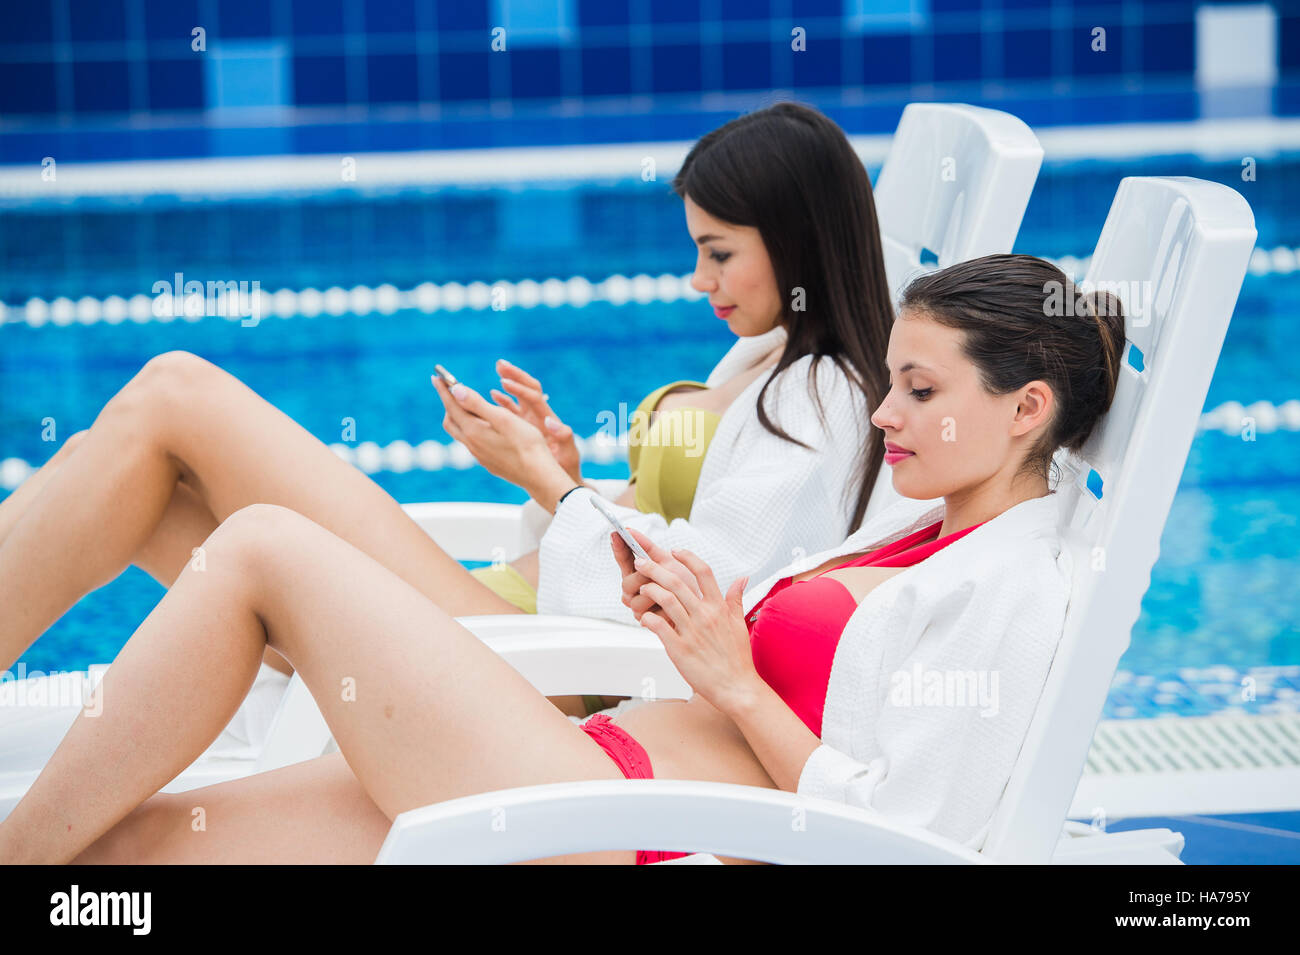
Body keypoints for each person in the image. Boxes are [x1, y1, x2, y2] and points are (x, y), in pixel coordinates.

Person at [0, 253, 1125, 864]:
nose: (886, 414)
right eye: (892, 384)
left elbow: (912, 845)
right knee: (130, 852)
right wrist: (680, 609)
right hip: (572, 756)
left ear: (1026, 408)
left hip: (607, 817)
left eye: (919, 392)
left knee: (259, 548)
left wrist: (732, 679)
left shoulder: (1010, 586)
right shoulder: (926, 530)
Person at [0, 103, 897, 722]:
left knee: (175, 395)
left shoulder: (825, 402)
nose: (698, 280)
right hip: (508, 611)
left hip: (530, 662)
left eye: (718, 252)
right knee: (121, 473)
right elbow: (678, 522)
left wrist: (545, 481)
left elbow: (713, 602)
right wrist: (567, 477)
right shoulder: (768, 354)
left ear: (797, 240)